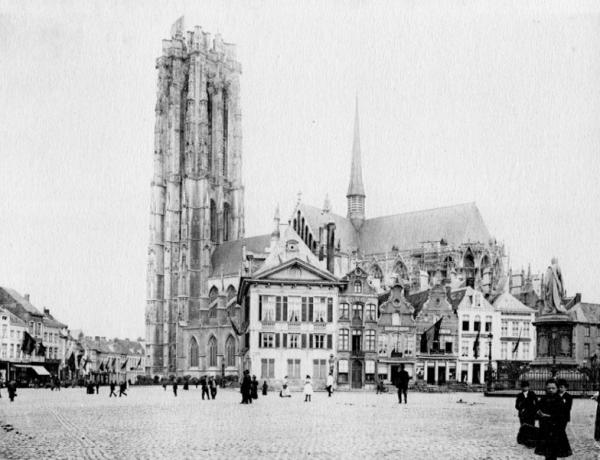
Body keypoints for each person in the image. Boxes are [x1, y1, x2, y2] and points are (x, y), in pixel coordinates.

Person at [535, 378, 572, 459]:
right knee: (547, 454)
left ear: (557, 389)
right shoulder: (543, 399)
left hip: (556, 431)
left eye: (553, 388)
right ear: (546, 388)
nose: (551, 390)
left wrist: (547, 416)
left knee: (553, 453)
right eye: (549, 388)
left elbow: (562, 416)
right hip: (545, 430)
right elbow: (537, 410)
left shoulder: (559, 400)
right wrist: (538, 413)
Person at [516, 380, 538, 448]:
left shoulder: (532, 394)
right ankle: (524, 440)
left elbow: (536, 403)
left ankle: (531, 441)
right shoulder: (519, 395)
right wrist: (520, 408)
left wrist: (534, 410)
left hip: (531, 413)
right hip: (523, 414)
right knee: (523, 426)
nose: (524, 388)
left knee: (531, 426)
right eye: (523, 387)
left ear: (528, 387)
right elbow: (516, 405)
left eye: (525, 387)